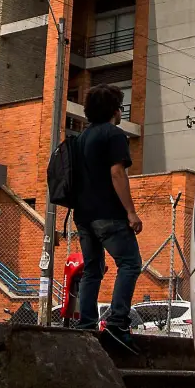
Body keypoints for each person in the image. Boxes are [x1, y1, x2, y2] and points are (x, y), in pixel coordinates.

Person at [72, 83, 143, 351]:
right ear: (116, 109)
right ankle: (117, 324)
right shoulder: (113, 135)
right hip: (108, 214)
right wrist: (131, 211)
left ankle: (86, 326)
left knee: (92, 270)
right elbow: (117, 174)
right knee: (130, 263)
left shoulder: (81, 138)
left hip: (83, 216)